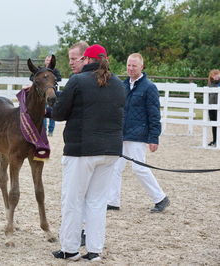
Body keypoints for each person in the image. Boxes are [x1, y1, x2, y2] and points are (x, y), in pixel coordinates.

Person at [51, 44, 125, 262]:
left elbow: (58, 113)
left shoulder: (78, 81)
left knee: (73, 200)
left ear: (87, 60)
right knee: (97, 202)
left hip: (82, 150)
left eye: (81, 59)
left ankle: (70, 249)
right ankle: (94, 250)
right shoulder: (119, 84)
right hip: (110, 150)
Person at [107, 53, 170, 213]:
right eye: (129, 65)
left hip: (138, 134)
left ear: (142, 66)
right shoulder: (123, 86)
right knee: (115, 167)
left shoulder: (149, 87)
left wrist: (154, 137)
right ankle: (113, 200)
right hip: (121, 134)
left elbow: (154, 114)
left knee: (139, 168)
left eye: (134, 65)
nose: (131, 68)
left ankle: (160, 198)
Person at [43, 55, 62, 136]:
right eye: (47, 60)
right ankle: (43, 130)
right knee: (42, 112)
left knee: (52, 111)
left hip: (52, 94)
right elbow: (33, 78)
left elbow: (59, 78)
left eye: (50, 60)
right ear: (45, 61)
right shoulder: (41, 70)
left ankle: (51, 131)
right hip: (43, 94)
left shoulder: (55, 70)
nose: (48, 61)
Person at [207, 69, 220, 147]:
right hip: (211, 107)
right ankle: (215, 140)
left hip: (219, 107)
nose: (216, 76)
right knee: (213, 124)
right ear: (211, 76)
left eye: (217, 74)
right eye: (214, 75)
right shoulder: (210, 84)